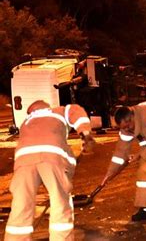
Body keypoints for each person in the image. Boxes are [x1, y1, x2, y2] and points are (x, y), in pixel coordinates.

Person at [4, 100, 96, 241]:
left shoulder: (26, 122)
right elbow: (75, 110)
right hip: (51, 158)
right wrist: (85, 132)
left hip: (23, 163)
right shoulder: (57, 111)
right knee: (60, 202)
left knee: (21, 205)